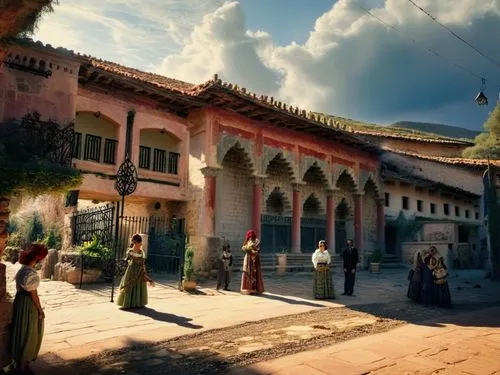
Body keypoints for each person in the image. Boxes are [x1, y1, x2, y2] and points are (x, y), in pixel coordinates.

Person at [9, 243, 48, 374]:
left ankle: (18, 362)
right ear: (36, 259)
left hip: (19, 300)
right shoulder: (31, 273)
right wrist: (40, 309)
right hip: (27, 303)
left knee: (20, 329)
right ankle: (22, 366)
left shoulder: (22, 270)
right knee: (29, 331)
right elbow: (34, 294)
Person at [117, 234, 155, 309]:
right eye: (137, 243)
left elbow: (142, 262)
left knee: (138, 286)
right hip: (131, 270)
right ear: (135, 242)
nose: (139, 245)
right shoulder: (130, 251)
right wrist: (129, 258)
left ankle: (137, 303)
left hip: (139, 271)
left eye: (139, 243)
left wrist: (144, 272)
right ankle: (127, 303)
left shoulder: (141, 252)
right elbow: (127, 260)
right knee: (128, 284)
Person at [240, 230, 264, 295]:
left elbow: (258, 250)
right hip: (248, 259)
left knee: (254, 273)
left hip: (254, 260)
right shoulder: (247, 242)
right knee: (247, 273)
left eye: (251, 236)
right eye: (249, 237)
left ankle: (254, 289)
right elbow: (244, 248)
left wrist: (254, 253)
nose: (250, 238)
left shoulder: (257, 241)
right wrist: (247, 250)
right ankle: (248, 289)